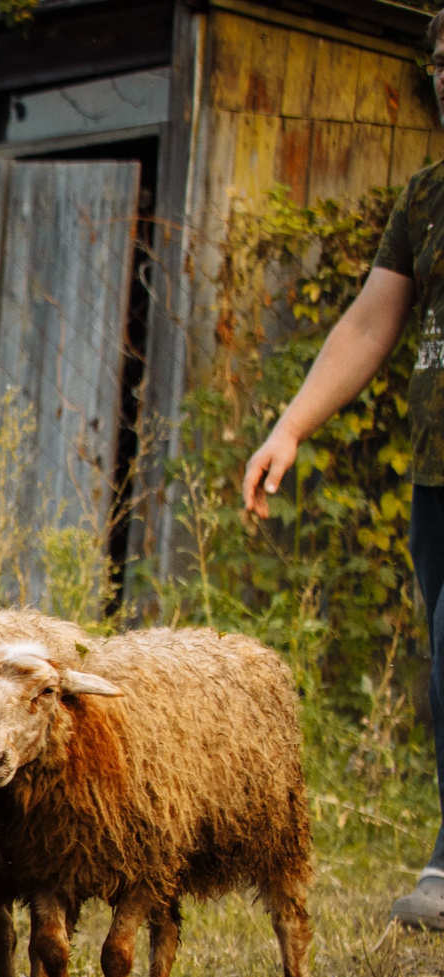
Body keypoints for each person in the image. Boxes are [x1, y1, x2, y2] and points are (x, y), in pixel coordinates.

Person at [246, 10, 444, 928]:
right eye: (442, 62)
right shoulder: (427, 195)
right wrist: (290, 428)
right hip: (436, 474)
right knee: (442, 659)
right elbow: (371, 322)